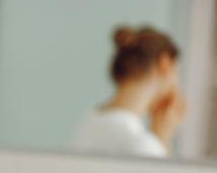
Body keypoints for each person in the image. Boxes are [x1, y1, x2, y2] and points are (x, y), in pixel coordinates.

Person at [70, 25, 186, 157]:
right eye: (177, 73)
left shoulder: (89, 121)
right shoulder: (142, 145)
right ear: (165, 65)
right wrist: (162, 140)